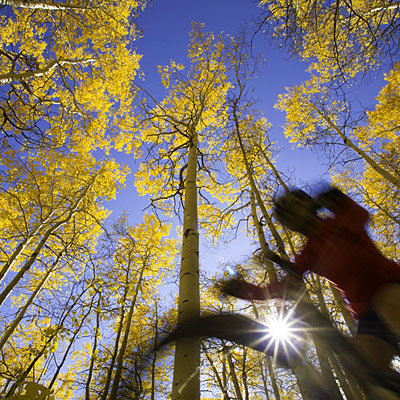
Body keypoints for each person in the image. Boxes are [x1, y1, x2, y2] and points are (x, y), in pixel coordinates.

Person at [223, 186, 400, 371]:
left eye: (294, 205)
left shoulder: (341, 221)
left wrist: (337, 199)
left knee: (389, 302)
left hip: (391, 284)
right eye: (285, 214)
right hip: (367, 314)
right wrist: (246, 291)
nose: (291, 213)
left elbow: (361, 215)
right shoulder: (308, 256)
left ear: (309, 204)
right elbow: (283, 288)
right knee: (365, 366)